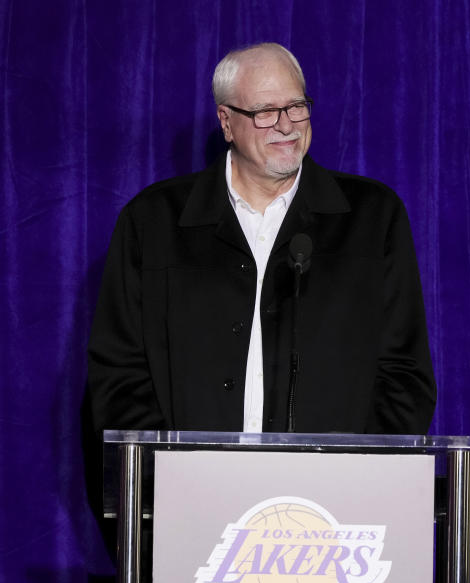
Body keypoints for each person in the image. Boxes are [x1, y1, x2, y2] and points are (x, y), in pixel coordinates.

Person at [88, 43, 435, 434]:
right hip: (190, 486)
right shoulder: (153, 220)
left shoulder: (373, 216)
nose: (286, 125)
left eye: (296, 106)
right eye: (265, 112)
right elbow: (117, 373)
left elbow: (404, 372)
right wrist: (165, 474)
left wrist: (355, 475)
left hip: (330, 489)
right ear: (226, 121)